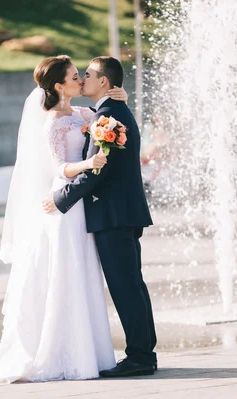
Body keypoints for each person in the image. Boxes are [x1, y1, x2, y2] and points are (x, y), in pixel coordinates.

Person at [0, 55, 128, 383]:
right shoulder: (51, 122)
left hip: (81, 201)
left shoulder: (81, 113)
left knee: (83, 270)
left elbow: (106, 119)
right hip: (65, 201)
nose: (80, 80)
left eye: (81, 75)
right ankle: (61, 352)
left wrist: (121, 98)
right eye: (75, 77)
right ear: (59, 86)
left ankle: (90, 350)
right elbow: (60, 167)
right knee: (66, 269)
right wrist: (89, 165)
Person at [43, 56, 157, 378]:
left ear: (104, 82)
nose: (83, 81)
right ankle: (144, 352)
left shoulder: (108, 115)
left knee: (126, 287)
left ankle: (139, 357)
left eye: (88, 75)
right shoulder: (108, 111)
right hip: (122, 211)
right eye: (78, 76)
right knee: (133, 284)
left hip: (112, 214)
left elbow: (97, 170)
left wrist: (60, 198)